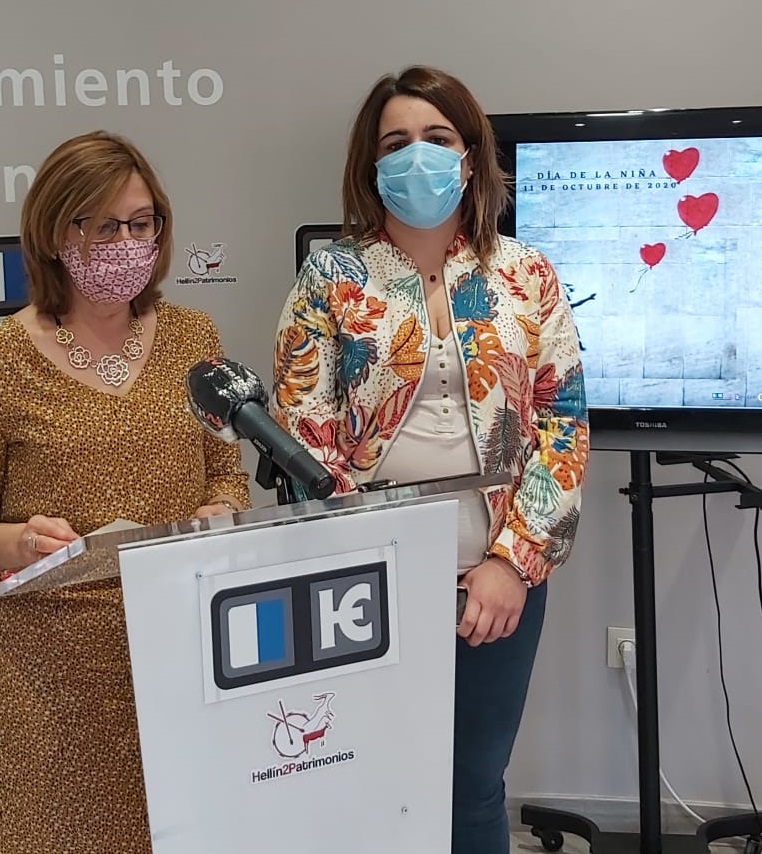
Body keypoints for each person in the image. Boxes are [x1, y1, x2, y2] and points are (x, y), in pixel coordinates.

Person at [271, 67, 588, 853]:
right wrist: (363, 559)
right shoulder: (333, 277)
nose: (418, 155)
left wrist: (513, 563)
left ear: (470, 157)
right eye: (396, 142)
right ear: (372, 165)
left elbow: (563, 424)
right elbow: (302, 425)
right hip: (363, 583)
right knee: (367, 786)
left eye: (438, 138)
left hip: (495, 581)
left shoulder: (526, 275)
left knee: (471, 792)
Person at [0, 130, 249, 854]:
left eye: (142, 223)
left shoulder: (193, 336)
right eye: (104, 226)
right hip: (48, 678)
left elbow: (225, 471)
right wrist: (12, 542)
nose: (128, 244)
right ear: (54, 232)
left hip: (181, 653)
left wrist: (221, 509)